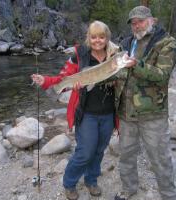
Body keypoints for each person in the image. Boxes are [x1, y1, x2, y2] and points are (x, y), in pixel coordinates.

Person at [31, 21, 119, 200]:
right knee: (85, 151)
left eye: (101, 37)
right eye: (93, 37)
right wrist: (46, 81)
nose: (97, 40)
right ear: (89, 38)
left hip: (108, 113)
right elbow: (63, 78)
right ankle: (69, 183)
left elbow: (125, 79)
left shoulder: (115, 55)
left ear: (107, 38)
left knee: (99, 150)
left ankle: (91, 180)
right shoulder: (78, 56)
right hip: (86, 113)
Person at [114, 6, 176, 200]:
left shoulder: (165, 43)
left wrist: (137, 65)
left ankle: (169, 195)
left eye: (140, 21)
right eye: (133, 23)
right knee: (126, 156)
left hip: (153, 114)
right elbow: (117, 74)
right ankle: (128, 190)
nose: (137, 25)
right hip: (126, 112)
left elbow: (162, 76)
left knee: (160, 158)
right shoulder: (125, 43)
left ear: (152, 20)